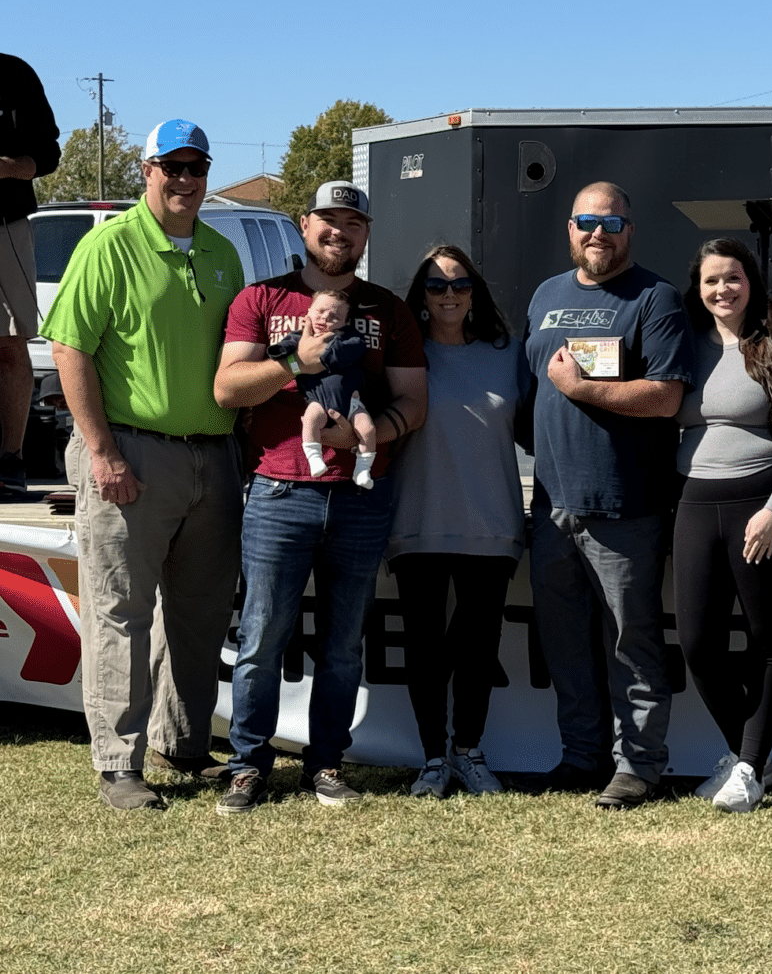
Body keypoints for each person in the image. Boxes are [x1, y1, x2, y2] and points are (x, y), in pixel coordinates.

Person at [41, 119, 243, 810]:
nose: (185, 179)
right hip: (131, 452)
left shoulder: (221, 251)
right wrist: (101, 452)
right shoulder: (109, 246)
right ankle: (118, 765)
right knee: (121, 611)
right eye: (171, 167)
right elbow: (69, 349)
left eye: (196, 167)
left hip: (212, 454)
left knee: (200, 613)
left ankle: (182, 744)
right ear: (147, 170)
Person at [213, 180, 426, 814]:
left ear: (366, 234)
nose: (340, 232)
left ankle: (326, 762)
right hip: (279, 491)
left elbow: (414, 403)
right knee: (262, 638)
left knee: (342, 645)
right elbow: (227, 389)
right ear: (304, 225)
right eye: (328, 220)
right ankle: (248, 766)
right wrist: (294, 363)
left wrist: (364, 434)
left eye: (353, 223)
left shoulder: (388, 310)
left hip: (360, 496)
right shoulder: (261, 298)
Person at [524, 181, 693, 809]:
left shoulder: (655, 298)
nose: (599, 233)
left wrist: (581, 391)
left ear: (630, 230)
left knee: (632, 644)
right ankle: (581, 756)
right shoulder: (546, 295)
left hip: (624, 505)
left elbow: (666, 397)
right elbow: (528, 390)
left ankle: (639, 766)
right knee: (565, 644)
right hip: (552, 505)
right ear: (570, 228)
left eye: (613, 223)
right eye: (588, 222)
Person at [674, 238, 772, 813]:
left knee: (769, 641)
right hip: (694, 503)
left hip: (763, 506)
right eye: (711, 280)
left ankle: (748, 767)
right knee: (697, 644)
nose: (723, 289)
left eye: (733, 278)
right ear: (698, 289)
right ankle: (750, 757)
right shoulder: (682, 347)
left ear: (752, 283)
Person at [386, 245, 531, 798]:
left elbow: (538, 428)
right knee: (423, 646)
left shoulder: (508, 354)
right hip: (417, 517)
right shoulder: (402, 355)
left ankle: (468, 751)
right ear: (420, 296)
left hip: (492, 521)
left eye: (460, 284)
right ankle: (432, 759)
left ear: (476, 292)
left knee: (477, 646)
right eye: (436, 284)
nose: (449, 294)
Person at [1, 54, 61, 495]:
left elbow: (48, 154)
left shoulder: (15, 75)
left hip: (4, 223)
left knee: (8, 344)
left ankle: (10, 459)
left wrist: (9, 167)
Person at [267, 288, 378, 488]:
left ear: (345, 322)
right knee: (310, 421)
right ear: (308, 312)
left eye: (334, 317)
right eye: (320, 311)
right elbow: (287, 345)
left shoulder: (347, 337)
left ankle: (362, 470)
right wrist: (280, 351)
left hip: (351, 403)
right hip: (317, 401)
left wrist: (325, 356)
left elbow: (355, 347)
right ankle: (314, 458)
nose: (325, 318)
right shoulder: (301, 338)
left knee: (368, 429)